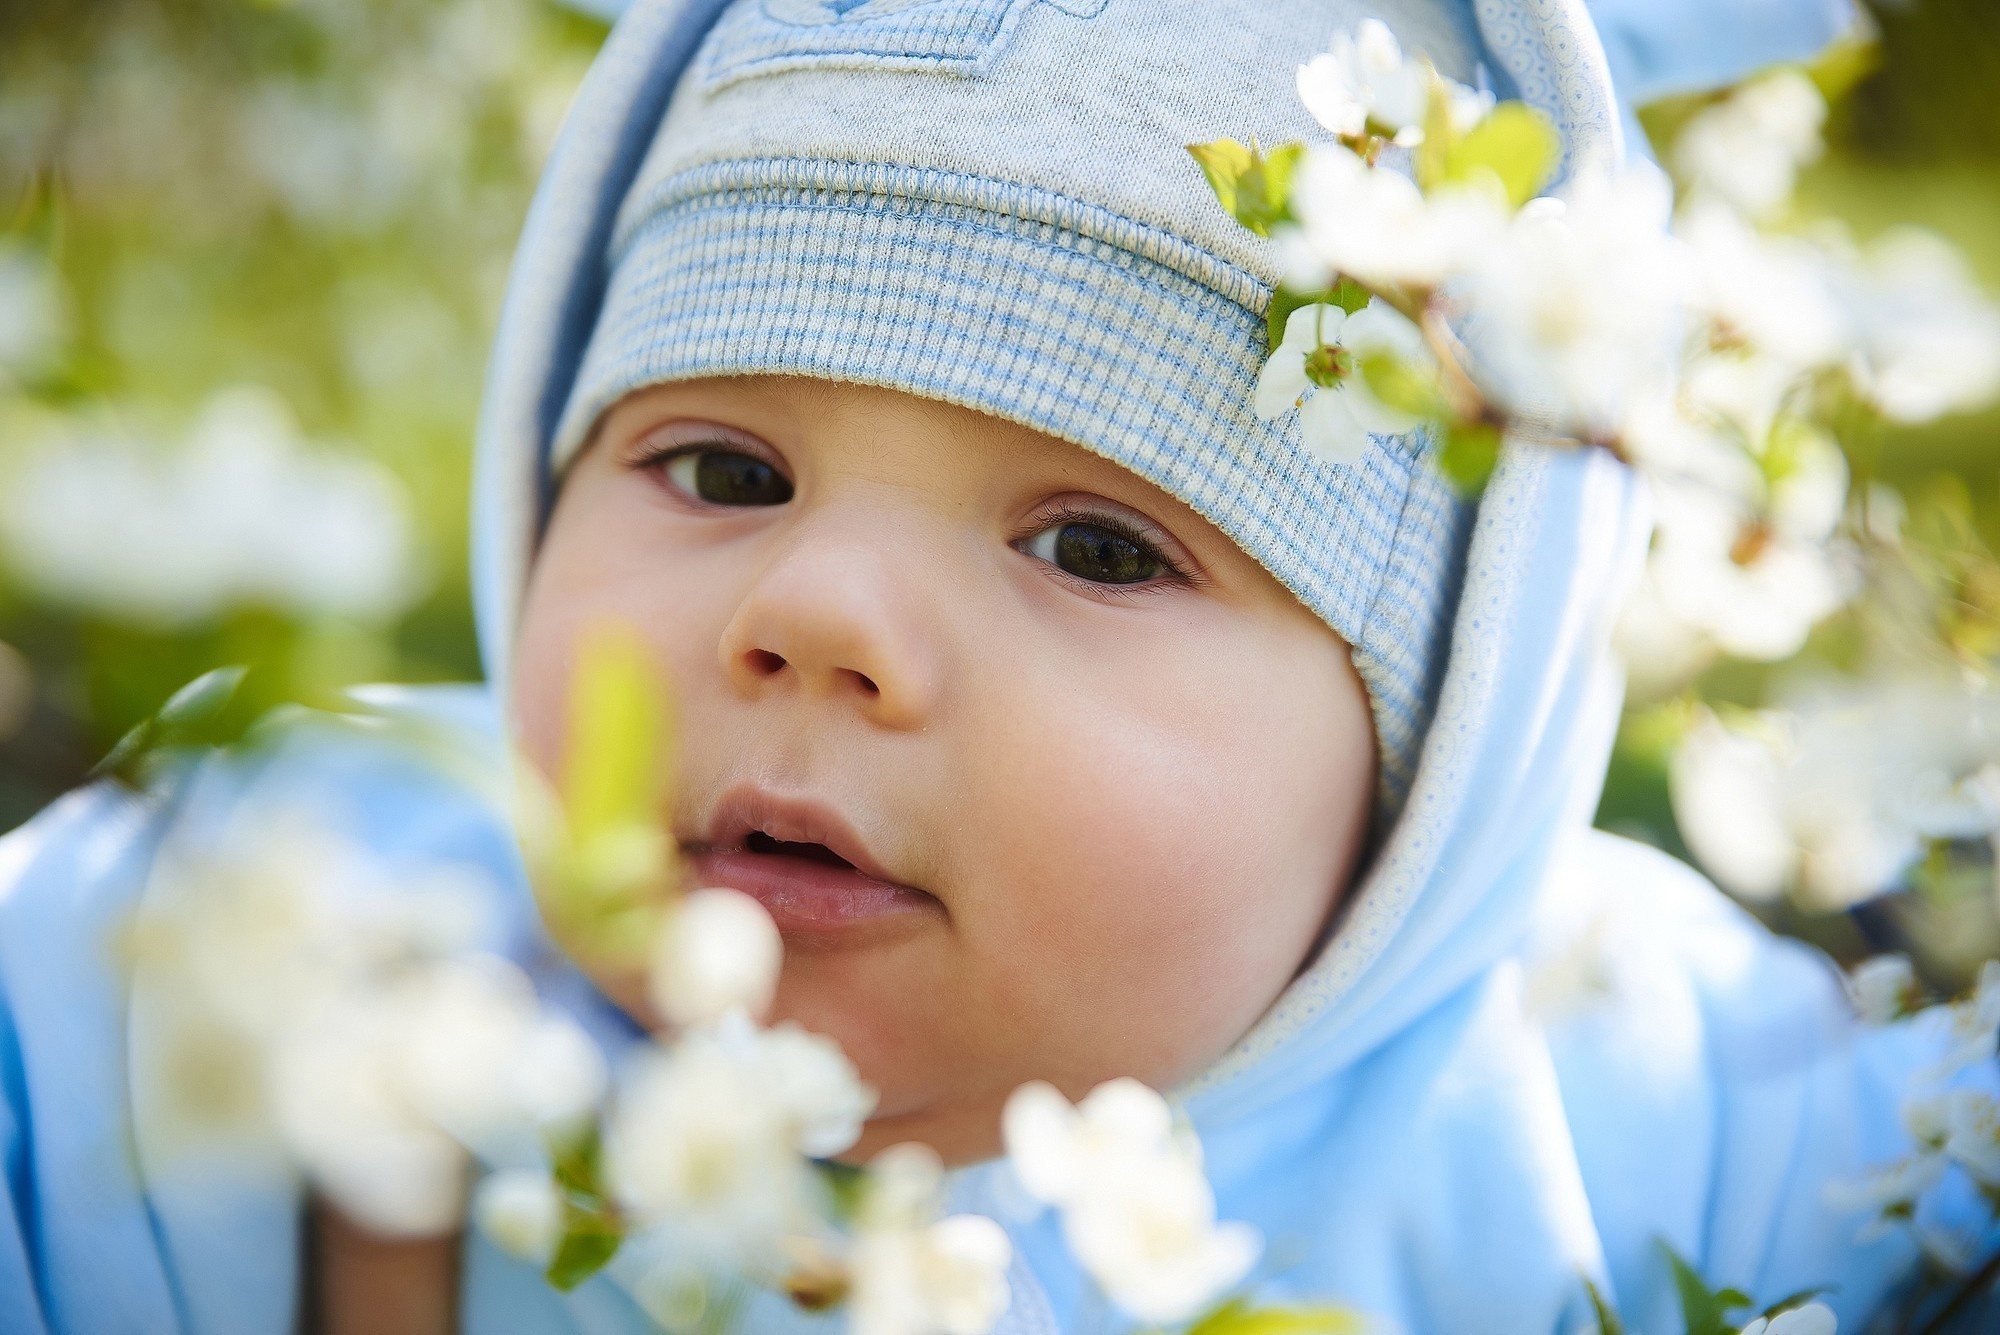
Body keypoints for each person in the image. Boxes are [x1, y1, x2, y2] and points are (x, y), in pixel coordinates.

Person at [0, 0, 1972, 1331]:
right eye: (719, 464)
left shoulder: (1637, 1115)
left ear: (1441, 759)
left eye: (1099, 544)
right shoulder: (270, 938)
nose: (818, 613)